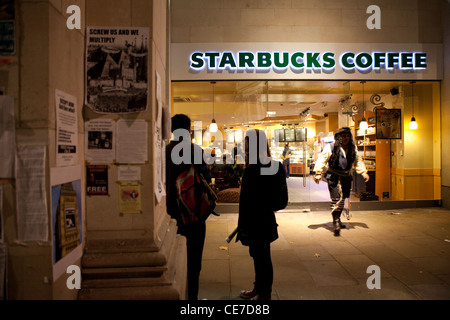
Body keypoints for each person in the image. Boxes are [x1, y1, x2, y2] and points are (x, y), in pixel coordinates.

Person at [236, 129, 287, 300]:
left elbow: (246, 202)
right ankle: (260, 290)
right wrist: (269, 207)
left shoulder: (252, 169)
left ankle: (264, 295)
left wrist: (243, 226)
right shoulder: (275, 165)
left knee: (262, 258)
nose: (245, 146)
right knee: (261, 257)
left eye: (247, 142)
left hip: (254, 222)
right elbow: (282, 200)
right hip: (265, 219)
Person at [165, 114, 210, 300]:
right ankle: (192, 299)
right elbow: (206, 180)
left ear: (171, 130)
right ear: (189, 130)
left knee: (174, 261)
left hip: (172, 214)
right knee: (194, 263)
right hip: (195, 215)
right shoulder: (195, 150)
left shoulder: (164, 151)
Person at [313, 127, 369, 236]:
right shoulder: (331, 147)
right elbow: (322, 159)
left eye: (348, 136)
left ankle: (338, 218)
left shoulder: (353, 148)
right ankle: (336, 221)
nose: (346, 138)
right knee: (335, 198)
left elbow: (358, 160)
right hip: (333, 176)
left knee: (343, 198)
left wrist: (363, 172)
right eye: (343, 136)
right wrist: (318, 172)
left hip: (346, 176)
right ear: (339, 137)